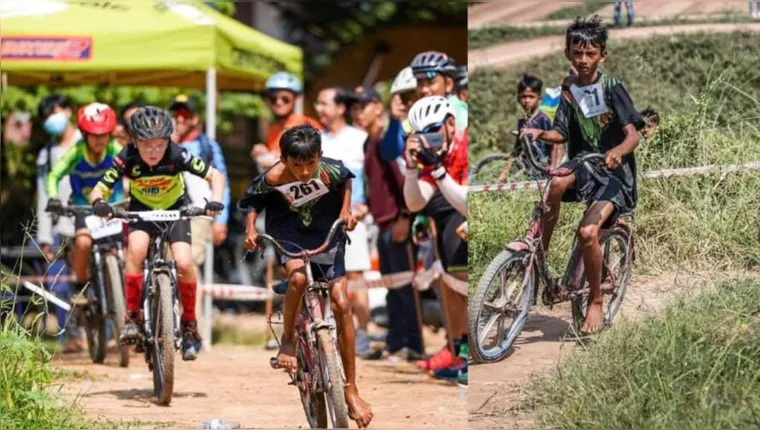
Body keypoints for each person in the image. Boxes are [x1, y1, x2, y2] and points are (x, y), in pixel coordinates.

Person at [239, 125, 373, 428]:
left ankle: (351, 389)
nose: (303, 170)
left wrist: (346, 212)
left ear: (319, 157)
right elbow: (251, 203)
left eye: (310, 163)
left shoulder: (330, 171)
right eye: (295, 164)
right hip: (287, 232)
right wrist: (250, 230)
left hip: (325, 231)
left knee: (341, 302)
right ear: (283, 158)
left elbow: (348, 180)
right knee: (298, 280)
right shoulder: (272, 178)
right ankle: (287, 341)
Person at [521, 16, 643, 335]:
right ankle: (541, 252)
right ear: (567, 53)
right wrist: (539, 133)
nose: (584, 60)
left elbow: (634, 135)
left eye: (591, 54)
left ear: (603, 55)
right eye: (578, 53)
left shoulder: (612, 88)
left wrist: (617, 151)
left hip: (617, 177)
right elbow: (562, 131)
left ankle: (596, 301)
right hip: (585, 165)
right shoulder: (569, 86)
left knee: (588, 233)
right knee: (556, 183)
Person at [88, 106, 226, 361]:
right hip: (141, 211)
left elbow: (216, 176)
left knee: (184, 262)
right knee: (137, 250)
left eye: (159, 146)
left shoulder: (177, 154)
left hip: (174, 210)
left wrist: (215, 201)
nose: (153, 152)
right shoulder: (126, 156)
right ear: (134, 142)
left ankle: (189, 325)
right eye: (146, 146)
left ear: (169, 141)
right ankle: (133, 316)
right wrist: (99, 203)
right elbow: (99, 189)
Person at [356, 85, 424, 361]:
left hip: (399, 223)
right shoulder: (367, 141)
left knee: (405, 287)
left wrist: (406, 218)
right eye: (354, 108)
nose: (357, 113)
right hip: (382, 223)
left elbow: (405, 180)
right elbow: (377, 187)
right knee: (392, 287)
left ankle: (414, 345)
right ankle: (396, 343)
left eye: (362, 107)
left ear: (378, 108)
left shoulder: (389, 137)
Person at [403, 96, 468, 381]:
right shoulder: (434, 156)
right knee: (448, 283)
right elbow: (416, 203)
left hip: (466, 213)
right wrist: (410, 168)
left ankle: (469, 352)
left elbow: (466, 203)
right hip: (443, 221)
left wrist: (438, 170)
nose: (428, 140)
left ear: (450, 124)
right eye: (422, 135)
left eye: (433, 131)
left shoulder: (466, 145)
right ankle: (459, 350)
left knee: (461, 273)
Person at [45, 103, 125, 328]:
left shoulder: (116, 150)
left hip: (114, 206)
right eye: (94, 135)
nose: (100, 141)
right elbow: (53, 175)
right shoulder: (76, 151)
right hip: (84, 208)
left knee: (129, 251)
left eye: (104, 135)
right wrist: (53, 197)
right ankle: (80, 289)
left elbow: (135, 171)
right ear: (85, 134)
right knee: (82, 242)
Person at [314, 87, 374, 358]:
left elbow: (374, 180)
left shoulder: (361, 139)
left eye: (324, 103)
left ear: (340, 108)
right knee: (323, 278)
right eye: (317, 103)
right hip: (321, 221)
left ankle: (362, 334)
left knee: (355, 277)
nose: (319, 109)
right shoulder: (316, 141)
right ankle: (325, 333)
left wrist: (364, 208)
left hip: (354, 220)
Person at [35, 94, 82, 353]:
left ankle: (105, 334)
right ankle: (71, 336)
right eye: (47, 116)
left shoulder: (86, 144)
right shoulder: (47, 154)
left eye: (55, 112)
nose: (51, 120)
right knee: (60, 286)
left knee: (88, 282)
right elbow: (43, 194)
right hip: (57, 228)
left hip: (87, 222)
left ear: (68, 111)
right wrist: (44, 236)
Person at [168, 94, 232, 263]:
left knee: (189, 262)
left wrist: (221, 220)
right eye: (176, 115)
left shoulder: (207, 145)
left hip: (198, 211)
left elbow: (222, 180)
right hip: (169, 211)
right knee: (168, 263)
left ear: (195, 119)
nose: (180, 119)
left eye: (185, 115)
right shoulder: (164, 145)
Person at [251, 72, 322, 170]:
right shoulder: (273, 128)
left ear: (296, 98)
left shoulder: (308, 124)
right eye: (273, 98)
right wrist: (264, 153)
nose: (279, 102)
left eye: (285, 99)